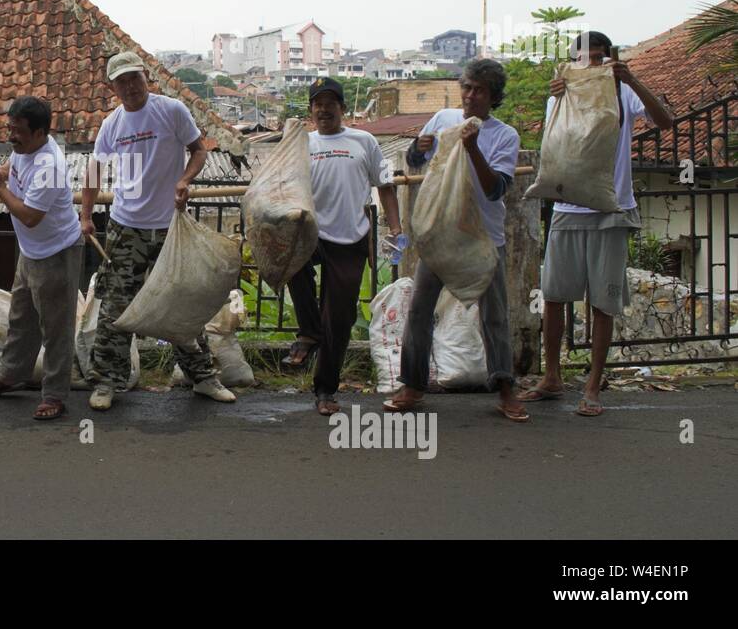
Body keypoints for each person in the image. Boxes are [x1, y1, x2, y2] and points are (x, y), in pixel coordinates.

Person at [522, 31, 674, 416]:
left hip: (612, 210)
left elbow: (666, 121)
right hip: (567, 210)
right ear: (572, 62)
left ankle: (593, 386)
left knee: (602, 302)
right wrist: (559, 94)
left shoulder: (623, 92)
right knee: (554, 297)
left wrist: (632, 79)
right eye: (582, 58)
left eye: (597, 58)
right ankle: (552, 376)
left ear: (610, 60)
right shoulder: (560, 95)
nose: (589, 64)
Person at [79, 50, 237, 411]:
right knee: (115, 308)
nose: (130, 86)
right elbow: (93, 172)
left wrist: (184, 180)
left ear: (146, 76)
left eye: (135, 77)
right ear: (113, 87)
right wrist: (86, 216)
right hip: (125, 228)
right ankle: (107, 382)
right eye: (122, 81)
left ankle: (203, 378)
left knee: (181, 303)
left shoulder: (172, 110)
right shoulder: (112, 125)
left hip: (171, 227)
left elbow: (198, 150)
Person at [382, 59, 526, 421]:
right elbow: (417, 160)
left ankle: (506, 388)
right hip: (442, 235)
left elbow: (496, 190)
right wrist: (419, 145)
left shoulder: (504, 135)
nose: (470, 95)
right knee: (419, 310)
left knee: (494, 315)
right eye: (467, 87)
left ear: (494, 97)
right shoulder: (444, 119)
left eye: (479, 90)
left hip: (483, 239)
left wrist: (473, 148)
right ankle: (412, 384)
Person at [282, 78, 402, 416]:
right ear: (311, 110)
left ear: (342, 108)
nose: (323, 109)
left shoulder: (364, 141)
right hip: (311, 234)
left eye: (330, 103)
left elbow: (386, 185)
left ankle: (326, 390)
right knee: (290, 262)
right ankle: (309, 332)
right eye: (317, 103)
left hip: (350, 239)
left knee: (340, 318)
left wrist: (396, 227)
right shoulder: (302, 144)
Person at [0, 96, 84, 420]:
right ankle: (11, 376)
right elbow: (13, 167)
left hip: (56, 253)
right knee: (21, 319)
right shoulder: (24, 149)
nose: (12, 136)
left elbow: (30, 215)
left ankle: (54, 395)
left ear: (39, 133)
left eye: (18, 131)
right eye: (10, 128)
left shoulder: (49, 165)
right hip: (31, 252)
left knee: (55, 329)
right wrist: (2, 172)